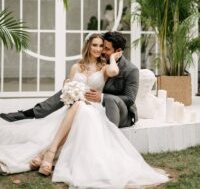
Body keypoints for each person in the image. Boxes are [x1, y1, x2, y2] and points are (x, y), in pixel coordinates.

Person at [0, 33, 168, 188]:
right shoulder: (76, 67)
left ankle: (48, 153)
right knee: (77, 108)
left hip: (95, 108)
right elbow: (68, 89)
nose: (99, 49)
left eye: (102, 46)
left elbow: (117, 76)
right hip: (75, 108)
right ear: (88, 46)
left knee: (80, 107)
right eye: (95, 45)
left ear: (114, 51)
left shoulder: (106, 67)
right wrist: (67, 88)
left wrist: (112, 60)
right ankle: (44, 152)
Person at [0, 31, 139, 128]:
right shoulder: (92, 63)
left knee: (101, 101)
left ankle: (110, 135)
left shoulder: (128, 69)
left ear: (118, 51)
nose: (101, 51)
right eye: (97, 46)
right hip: (89, 102)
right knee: (69, 91)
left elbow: (129, 99)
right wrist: (69, 83)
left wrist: (102, 97)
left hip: (119, 110)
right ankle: (31, 113)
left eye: (105, 48)